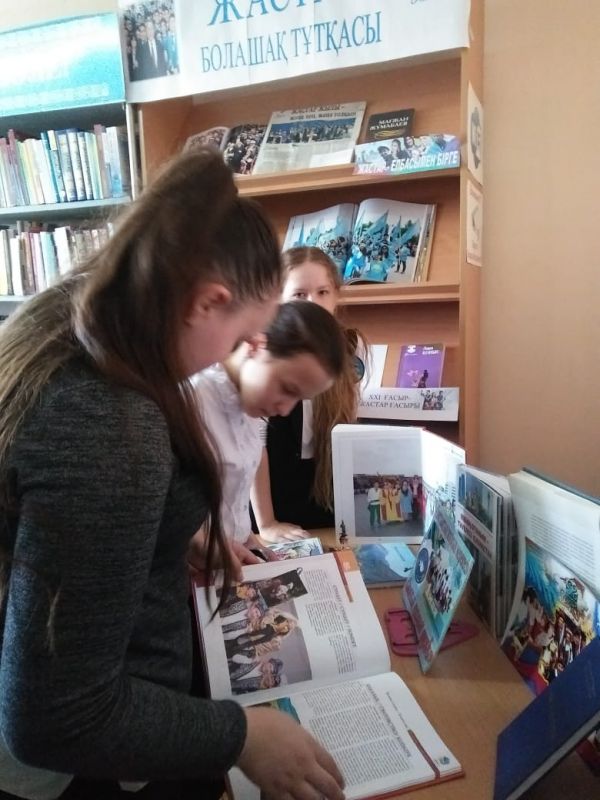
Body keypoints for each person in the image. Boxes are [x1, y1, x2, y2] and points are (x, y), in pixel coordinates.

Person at [0, 149, 345, 800]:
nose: (238, 355)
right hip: (83, 774)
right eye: (243, 336)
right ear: (209, 302)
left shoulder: (82, 332)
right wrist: (242, 736)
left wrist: (177, 533)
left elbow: (65, 536)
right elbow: (58, 718)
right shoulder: (108, 422)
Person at [188, 300, 347, 573]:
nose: (285, 410)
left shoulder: (249, 404)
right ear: (256, 345)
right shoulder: (193, 400)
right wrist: (199, 545)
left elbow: (230, 499)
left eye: (299, 399)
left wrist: (246, 537)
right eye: (287, 389)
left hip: (230, 560)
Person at [251, 246, 365, 540]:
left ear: (336, 296)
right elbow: (252, 447)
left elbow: (351, 430)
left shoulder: (351, 349)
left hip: (326, 498)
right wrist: (267, 523)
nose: (313, 303)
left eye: (322, 292)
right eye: (300, 294)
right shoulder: (264, 351)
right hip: (271, 501)